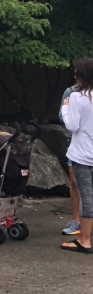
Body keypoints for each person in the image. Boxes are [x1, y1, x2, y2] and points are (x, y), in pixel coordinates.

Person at [61, 58, 93, 253]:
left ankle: (85, 239)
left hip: (82, 154)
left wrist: (65, 107)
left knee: (86, 196)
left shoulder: (76, 97)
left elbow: (72, 125)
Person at [60, 85, 84, 235]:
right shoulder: (71, 91)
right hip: (75, 139)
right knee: (74, 181)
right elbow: (62, 118)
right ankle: (77, 221)